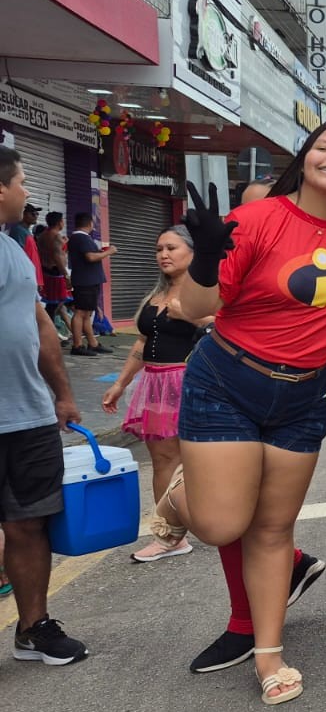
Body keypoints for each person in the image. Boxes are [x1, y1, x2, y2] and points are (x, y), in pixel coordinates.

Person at [173, 121, 326, 705]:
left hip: (302, 397)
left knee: (271, 531)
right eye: (324, 148)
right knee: (220, 526)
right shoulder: (259, 218)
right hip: (226, 381)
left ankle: (268, 654)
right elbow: (195, 305)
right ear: (304, 158)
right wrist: (206, 258)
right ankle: (178, 496)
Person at [0, 146, 88, 665]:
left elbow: (39, 325)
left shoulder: (14, 248)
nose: (27, 192)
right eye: (22, 182)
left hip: (29, 417)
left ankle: (33, 627)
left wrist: (63, 394)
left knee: (30, 523)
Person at [103, 225, 210, 562]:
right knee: (163, 459)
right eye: (159, 249)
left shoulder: (206, 291)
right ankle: (170, 534)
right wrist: (120, 383)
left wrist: (190, 315)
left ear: (192, 251)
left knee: (197, 459)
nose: (163, 255)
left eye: (171, 248)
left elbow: (227, 327)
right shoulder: (156, 294)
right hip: (155, 383)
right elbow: (142, 342)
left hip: (190, 381)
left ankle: (216, 520)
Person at [66, 211, 115, 355]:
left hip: (88, 280)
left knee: (87, 313)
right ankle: (77, 345)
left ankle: (93, 343)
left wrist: (99, 251)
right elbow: (91, 257)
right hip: (85, 281)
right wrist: (109, 252)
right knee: (80, 312)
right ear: (90, 223)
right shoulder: (81, 238)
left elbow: (89, 255)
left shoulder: (79, 238)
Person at [38, 211, 70, 331]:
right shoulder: (56, 236)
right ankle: (47, 329)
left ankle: (48, 328)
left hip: (45, 271)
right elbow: (58, 257)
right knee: (56, 304)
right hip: (56, 272)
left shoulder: (42, 235)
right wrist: (66, 276)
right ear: (59, 222)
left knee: (53, 304)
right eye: (62, 221)